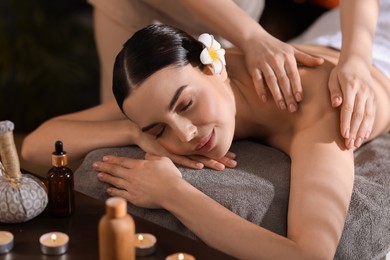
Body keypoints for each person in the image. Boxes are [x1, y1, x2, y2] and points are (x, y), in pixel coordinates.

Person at [22, 8, 390, 259]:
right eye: (158, 128)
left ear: (214, 68)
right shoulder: (174, 86)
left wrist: (173, 193)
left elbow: (309, 255)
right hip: (323, 33)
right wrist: (132, 132)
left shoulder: (324, 111)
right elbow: (36, 149)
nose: (184, 135)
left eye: (185, 106)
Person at [89, 0, 378, 150]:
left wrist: (356, 60)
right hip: (136, 9)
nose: (184, 132)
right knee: (128, 133)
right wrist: (250, 36)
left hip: (232, 11)